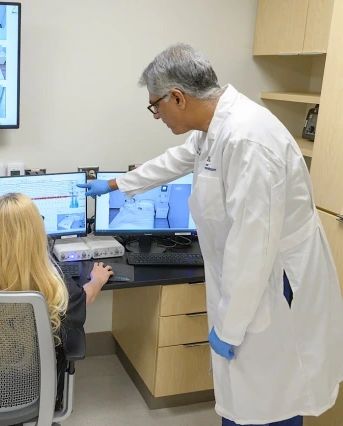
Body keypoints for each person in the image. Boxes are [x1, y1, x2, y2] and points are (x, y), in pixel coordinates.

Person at [78, 43, 343, 426]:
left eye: (155, 105)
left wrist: (231, 326)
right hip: (249, 278)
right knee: (247, 394)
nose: (156, 115)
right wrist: (116, 184)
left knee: (272, 395)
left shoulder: (248, 141)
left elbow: (252, 246)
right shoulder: (215, 127)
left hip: (274, 283)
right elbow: (177, 160)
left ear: (178, 97)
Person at [0, 192, 114, 410]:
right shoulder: (53, 284)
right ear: (36, 234)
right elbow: (82, 298)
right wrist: (96, 281)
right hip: (30, 394)